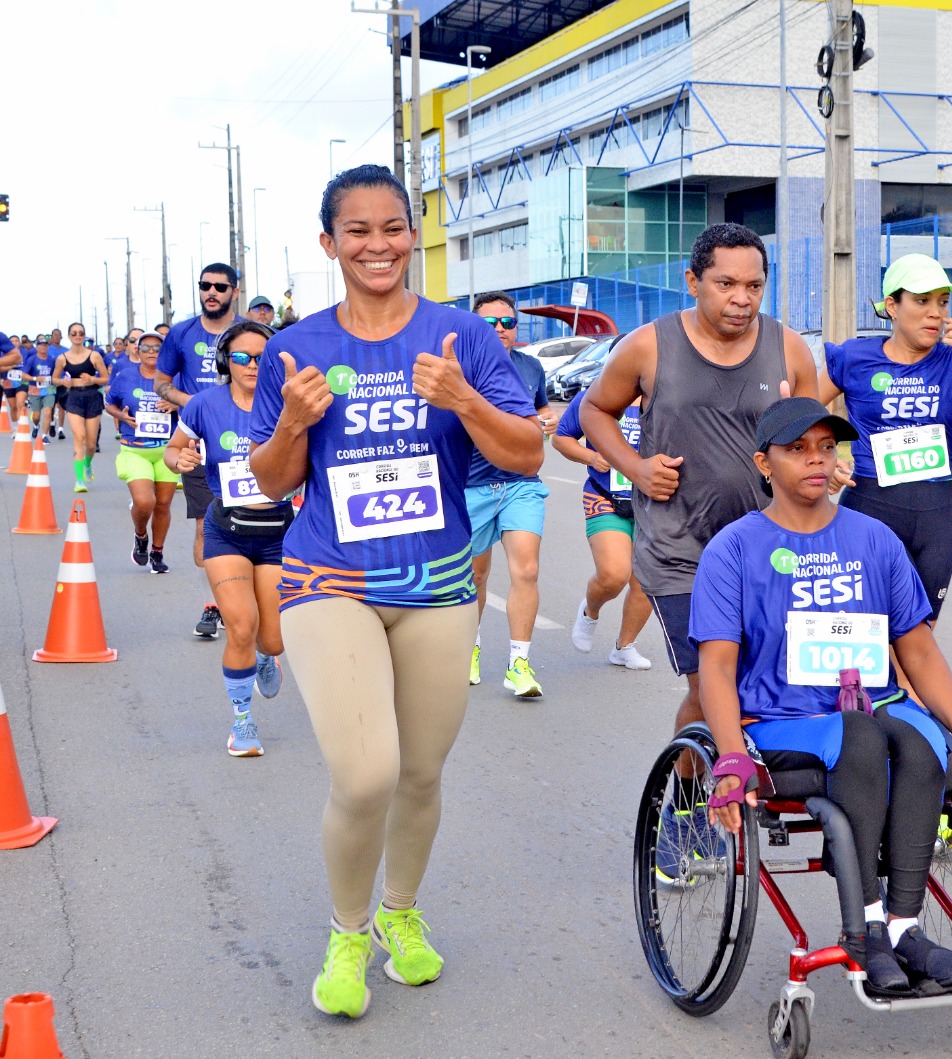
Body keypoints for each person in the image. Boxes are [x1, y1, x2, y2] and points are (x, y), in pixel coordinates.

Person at [248, 164, 543, 1020]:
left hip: (439, 581)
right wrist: (294, 421)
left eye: (392, 229)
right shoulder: (296, 347)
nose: (376, 246)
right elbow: (271, 481)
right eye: (358, 231)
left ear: (413, 236)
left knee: (419, 772)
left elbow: (526, 453)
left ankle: (399, 912)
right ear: (329, 243)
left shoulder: (463, 336)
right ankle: (347, 930)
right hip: (328, 579)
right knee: (367, 771)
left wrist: (463, 400)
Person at [696, 397, 952, 991]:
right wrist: (731, 755)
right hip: (782, 717)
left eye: (826, 447)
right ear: (764, 464)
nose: (816, 460)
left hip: (875, 705)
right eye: (797, 450)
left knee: (922, 740)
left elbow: (918, 651)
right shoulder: (733, 549)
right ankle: (865, 928)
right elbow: (715, 666)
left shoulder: (874, 539)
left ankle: (904, 928)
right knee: (862, 738)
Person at [581, 223, 818, 734]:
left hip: (767, 545)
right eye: (725, 284)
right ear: (693, 282)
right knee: (711, 684)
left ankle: (722, 772)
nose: (742, 299)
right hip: (679, 549)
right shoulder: (649, 346)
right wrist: (636, 467)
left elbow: (810, 441)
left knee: (765, 682)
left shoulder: (790, 349)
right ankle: (697, 784)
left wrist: (817, 464)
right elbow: (594, 410)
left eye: (754, 286)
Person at [817, 253, 952, 635]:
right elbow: (800, 417)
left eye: (943, 302)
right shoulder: (855, 357)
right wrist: (826, 461)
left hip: (936, 522)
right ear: (892, 306)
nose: (935, 313)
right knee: (872, 640)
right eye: (922, 301)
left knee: (918, 640)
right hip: (869, 514)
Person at [168, 320, 290, 756]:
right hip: (228, 530)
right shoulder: (205, 404)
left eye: (261, 356)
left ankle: (265, 656)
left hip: (278, 532)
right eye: (242, 357)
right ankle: (242, 722)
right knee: (240, 625)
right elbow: (172, 449)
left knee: (272, 639)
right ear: (226, 361)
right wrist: (179, 459)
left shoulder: (288, 403)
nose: (252, 365)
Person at [463, 291, 558, 696]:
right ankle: (468, 649)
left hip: (521, 483)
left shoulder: (530, 366)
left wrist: (546, 421)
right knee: (474, 575)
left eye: (507, 322)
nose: (500, 329)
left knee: (527, 570)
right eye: (489, 323)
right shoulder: (460, 369)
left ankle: (519, 664)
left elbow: (539, 411)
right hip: (471, 485)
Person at [157, 263, 243, 639]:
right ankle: (213, 605)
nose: (211, 292)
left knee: (254, 522)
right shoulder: (181, 333)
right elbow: (161, 383)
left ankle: (248, 595)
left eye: (220, 287)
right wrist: (193, 403)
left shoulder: (250, 333)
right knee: (206, 524)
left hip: (247, 442)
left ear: (234, 292)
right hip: (198, 442)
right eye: (205, 285)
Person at [551, 386, 653, 670]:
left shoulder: (667, 395)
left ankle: (624, 647)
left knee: (646, 581)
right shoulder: (597, 393)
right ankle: (590, 611)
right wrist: (592, 458)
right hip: (605, 495)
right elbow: (561, 438)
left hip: (653, 503)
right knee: (614, 574)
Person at [106, 331, 180, 573]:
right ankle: (140, 536)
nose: (151, 352)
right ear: (137, 351)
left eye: (157, 348)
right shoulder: (126, 376)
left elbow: (192, 403)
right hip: (135, 449)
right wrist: (121, 416)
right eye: (146, 347)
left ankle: (157, 553)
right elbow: (109, 403)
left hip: (167, 449)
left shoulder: (175, 378)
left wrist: (176, 404)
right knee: (145, 501)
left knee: (163, 504)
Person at [50, 323, 110, 492]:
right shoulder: (62, 358)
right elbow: (54, 379)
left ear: (84, 336)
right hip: (74, 397)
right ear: (69, 336)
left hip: (92, 397)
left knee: (91, 444)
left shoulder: (94, 356)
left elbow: (106, 378)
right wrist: (63, 381)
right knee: (79, 437)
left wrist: (93, 380)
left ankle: (87, 465)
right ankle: (79, 481)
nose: (78, 335)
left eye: (81, 333)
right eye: (74, 333)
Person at [23, 336, 57, 442]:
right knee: (36, 416)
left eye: (45, 345)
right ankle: (36, 425)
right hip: (35, 389)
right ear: (37, 347)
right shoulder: (32, 360)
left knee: (48, 411)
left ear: (48, 347)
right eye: (41, 345)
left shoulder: (52, 360)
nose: (43, 347)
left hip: (49, 389)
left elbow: (56, 374)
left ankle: (44, 436)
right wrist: (35, 378)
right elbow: (23, 375)